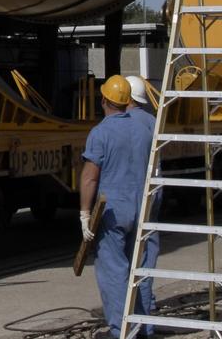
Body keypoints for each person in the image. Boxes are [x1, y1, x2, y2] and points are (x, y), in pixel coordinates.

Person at [79, 75, 151, 337]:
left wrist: (84, 214)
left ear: (104, 100)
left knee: (114, 270)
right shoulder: (144, 127)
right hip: (142, 204)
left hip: (113, 211)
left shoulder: (101, 132)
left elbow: (90, 177)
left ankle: (123, 330)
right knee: (139, 267)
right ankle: (144, 326)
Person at [123, 74, 160, 319]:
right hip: (151, 193)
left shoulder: (114, 124)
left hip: (123, 197)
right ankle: (145, 312)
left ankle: (128, 313)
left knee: (122, 256)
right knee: (146, 253)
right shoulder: (152, 121)